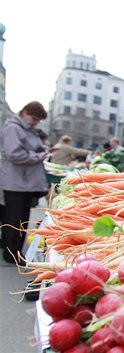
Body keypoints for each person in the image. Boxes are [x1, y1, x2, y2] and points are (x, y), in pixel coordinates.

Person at [0, 101, 52, 265]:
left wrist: (42, 150)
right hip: (16, 182)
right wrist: (38, 156)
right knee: (14, 220)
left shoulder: (26, 129)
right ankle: (11, 254)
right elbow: (14, 154)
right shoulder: (13, 128)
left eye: (38, 120)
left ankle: (13, 250)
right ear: (24, 113)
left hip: (24, 182)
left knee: (19, 219)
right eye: (34, 118)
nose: (35, 122)